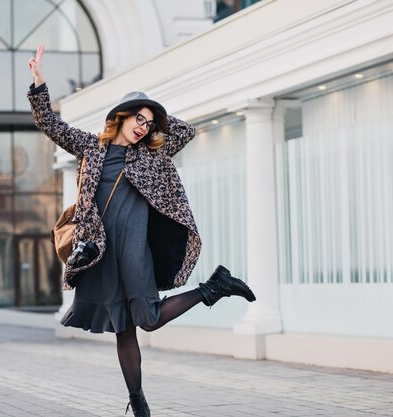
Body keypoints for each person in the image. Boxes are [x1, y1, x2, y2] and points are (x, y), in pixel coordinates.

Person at [27, 45, 256, 416]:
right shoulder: (90, 147)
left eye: (149, 123)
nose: (143, 127)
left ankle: (215, 286)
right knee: (124, 329)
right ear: (121, 116)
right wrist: (39, 82)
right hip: (102, 252)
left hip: (134, 248)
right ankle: (138, 403)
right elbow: (50, 125)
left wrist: (158, 115)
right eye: (139, 119)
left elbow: (186, 130)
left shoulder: (151, 155)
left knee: (148, 319)